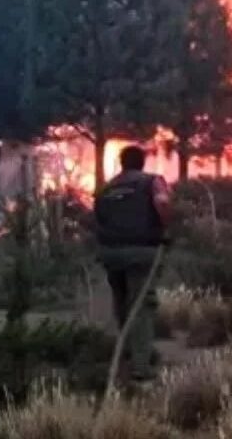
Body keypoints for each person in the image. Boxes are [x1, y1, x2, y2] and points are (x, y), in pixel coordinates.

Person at [93, 145, 172, 382]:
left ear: (122, 163)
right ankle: (141, 365)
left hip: (111, 254)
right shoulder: (152, 181)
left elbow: (97, 218)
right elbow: (163, 203)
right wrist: (166, 228)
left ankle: (127, 354)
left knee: (122, 303)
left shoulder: (106, 188)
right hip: (142, 252)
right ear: (143, 162)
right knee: (141, 306)